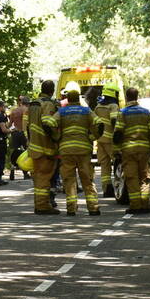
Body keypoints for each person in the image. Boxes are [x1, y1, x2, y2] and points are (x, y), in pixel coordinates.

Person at [113, 86, 150, 214]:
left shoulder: (123, 113)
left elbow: (118, 134)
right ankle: (145, 205)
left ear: (127, 97)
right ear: (137, 97)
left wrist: (116, 151)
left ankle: (135, 206)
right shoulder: (146, 112)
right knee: (144, 177)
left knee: (132, 178)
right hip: (144, 150)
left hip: (129, 150)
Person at [58, 84, 100, 216]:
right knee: (87, 179)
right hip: (83, 150)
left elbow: (51, 123)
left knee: (69, 181)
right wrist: (93, 136)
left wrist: (56, 138)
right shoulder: (86, 111)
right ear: (79, 99)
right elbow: (99, 123)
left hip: (66, 150)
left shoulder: (61, 111)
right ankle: (93, 208)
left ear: (68, 99)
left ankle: (71, 209)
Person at [24, 80, 60, 214]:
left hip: (34, 146)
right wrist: (55, 138)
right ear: (52, 91)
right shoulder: (47, 104)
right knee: (45, 177)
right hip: (45, 147)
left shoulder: (34, 104)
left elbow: (28, 126)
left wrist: (29, 141)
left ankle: (39, 204)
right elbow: (47, 124)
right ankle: (43, 206)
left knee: (38, 177)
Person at [93, 93, 120, 198]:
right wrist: (117, 134)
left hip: (101, 140)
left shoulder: (98, 106)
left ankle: (107, 189)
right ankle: (121, 187)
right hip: (110, 140)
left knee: (105, 164)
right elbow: (114, 120)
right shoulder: (113, 106)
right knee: (118, 162)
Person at [8, 95, 30, 180]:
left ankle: (12, 170)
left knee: (15, 151)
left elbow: (10, 124)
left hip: (15, 133)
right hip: (24, 134)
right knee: (25, 152)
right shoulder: (27, 110)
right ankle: (25, 173)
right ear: (27, 103)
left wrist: (6, 130)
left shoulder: (14, 111)